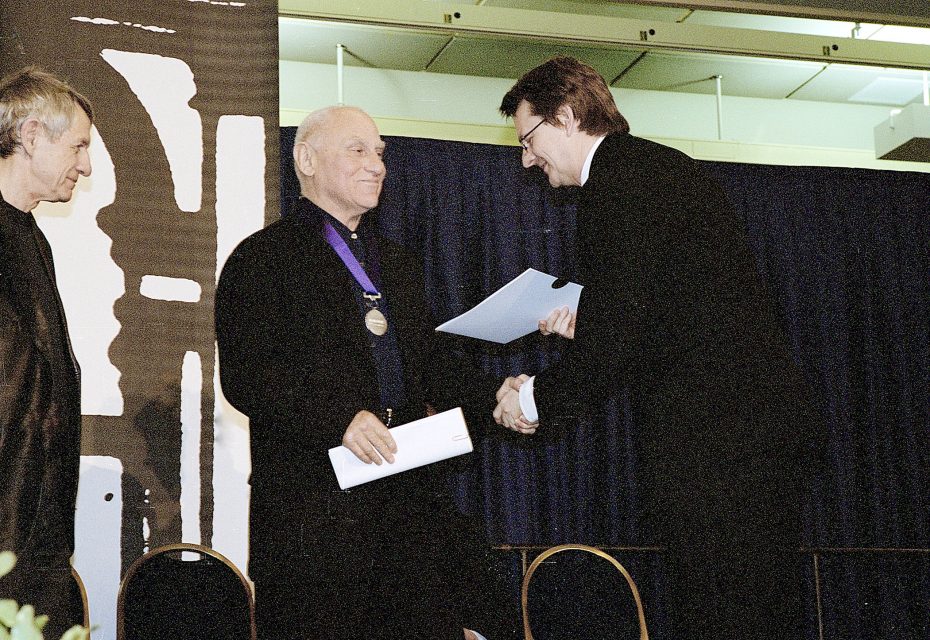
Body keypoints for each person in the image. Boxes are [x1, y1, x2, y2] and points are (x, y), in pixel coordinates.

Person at [494, 56, 823, 640]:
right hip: (753, 432)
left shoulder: (613, 188)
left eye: (529, 138)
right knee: (760, 609)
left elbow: (620, 333)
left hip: (717, 441)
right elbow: (671, 309)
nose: (526, 158)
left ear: (567, 117)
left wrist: (536, 399)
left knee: (722, 612)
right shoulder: (659, 167)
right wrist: (590, 323)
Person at [215, 106, 516, 640]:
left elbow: (431, 364)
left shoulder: (396, 263)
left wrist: (499, 394)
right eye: (357, 150)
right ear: (306, 159)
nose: (376, 165)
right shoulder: (261, 259)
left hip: (408, 520)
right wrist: (339, 419)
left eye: (380, 153)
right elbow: (248, 375)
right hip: (314, 524)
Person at [0, 66, 92, 637]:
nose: (86, 166)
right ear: (32, 136)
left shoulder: (32, 239)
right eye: (79, 146)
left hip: (37, 535)